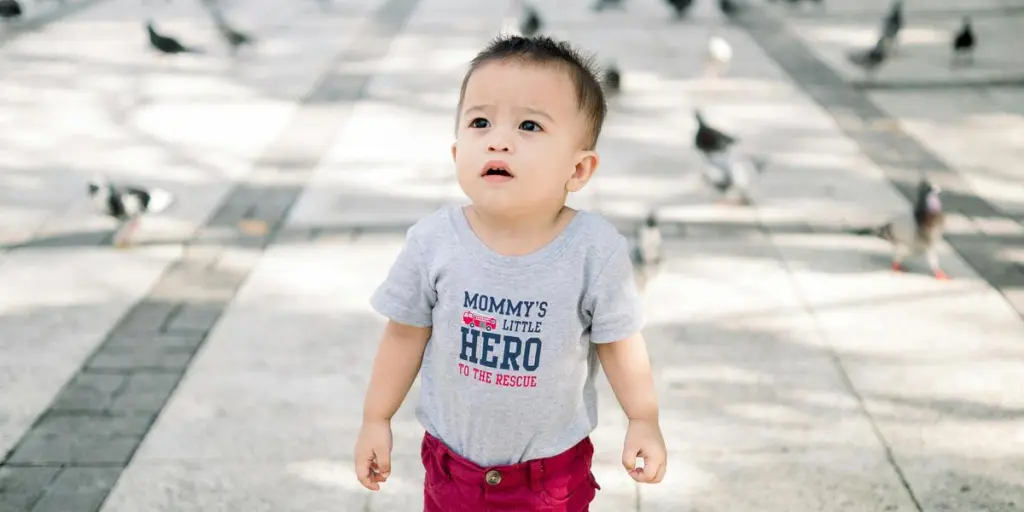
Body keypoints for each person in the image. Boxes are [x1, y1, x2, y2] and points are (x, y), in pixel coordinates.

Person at [353, 34, 666, 511]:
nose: (498, 138)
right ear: (458, 154)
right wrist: (377, 417)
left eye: (528, 126)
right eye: (480, 122)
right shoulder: (433, 242)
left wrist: (642, 418)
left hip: (551, 477)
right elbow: (403, 335)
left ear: (579, 170)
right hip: (452, 469)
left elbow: (620, 342)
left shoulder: (593, 251)